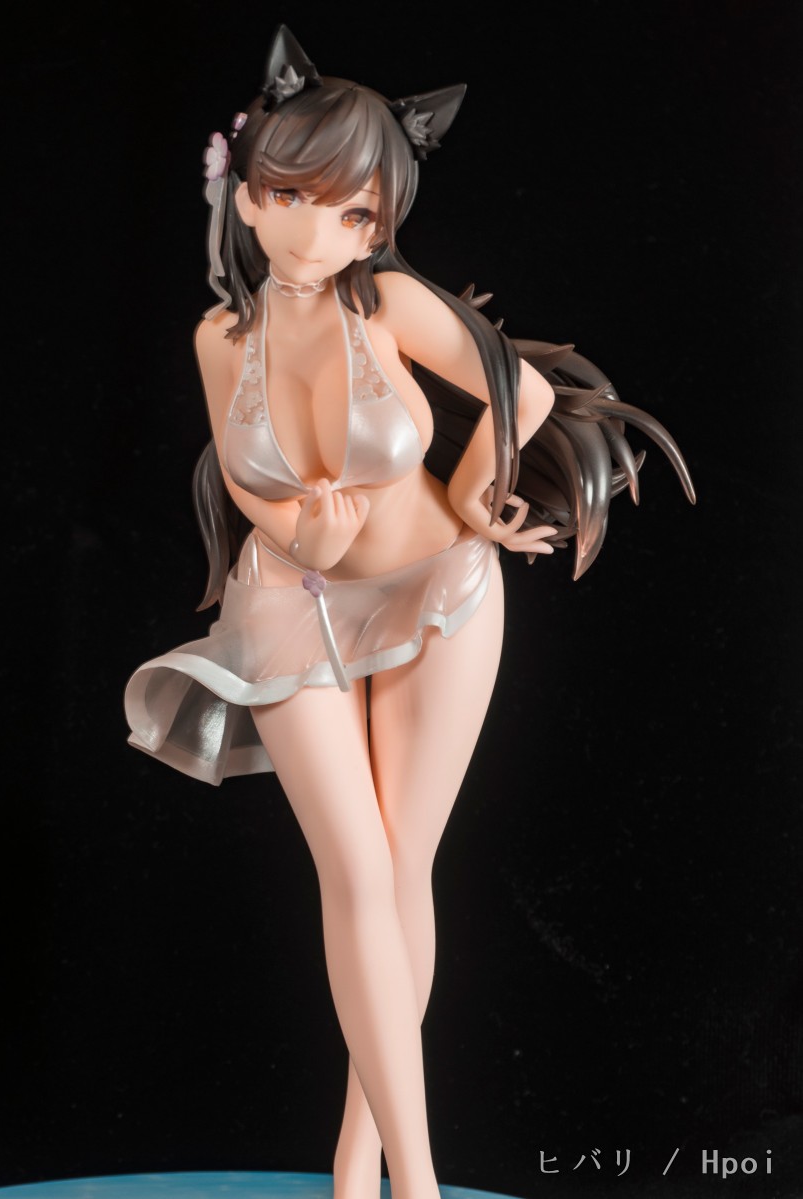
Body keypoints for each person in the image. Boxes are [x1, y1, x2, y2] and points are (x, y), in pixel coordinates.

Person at [123, 28, 691, 1199]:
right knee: (355, 870)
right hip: (291, 606)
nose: (312, 232)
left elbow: (518, 388)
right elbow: (237, 474)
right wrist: (303, 533)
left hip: (440, 588)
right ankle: (416, 1180)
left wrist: (478, 499)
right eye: (288, 196)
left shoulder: (383, 299)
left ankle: (363, 1156)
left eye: (351, 213)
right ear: (245, 190)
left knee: (400, 868)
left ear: (377, 225)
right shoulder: (219, 335)